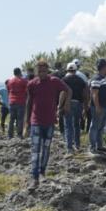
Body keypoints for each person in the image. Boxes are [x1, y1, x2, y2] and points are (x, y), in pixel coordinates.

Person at [25, 61, 71, 190]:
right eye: (39, 71)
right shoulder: (32, 84)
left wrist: (65, 105)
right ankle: (34, 178)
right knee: (35, 150)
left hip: (50, 121)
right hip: (36, 122)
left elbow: (68, 90)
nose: (42, 74)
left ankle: (42, 173)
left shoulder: (55, 81)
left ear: (47, 71)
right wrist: (27, 122)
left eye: (44, 71)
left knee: (45, 149)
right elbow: (29, 102)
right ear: (36, 72)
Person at [62, 63, 89, 152]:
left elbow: (62, 94)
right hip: (78, 104)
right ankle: (77, 145)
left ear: (67, 70)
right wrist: (85, 107)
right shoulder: (81, 80)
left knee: (68, 125)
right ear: (75, 70)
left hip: (68, 104)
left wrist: (60, 106)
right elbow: (85, 94)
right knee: (76, 125)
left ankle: (69, 147)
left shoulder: (64, 80)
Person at [89, 59, 106, 155]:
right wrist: (97, 107)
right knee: (95, 126)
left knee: (101, 127)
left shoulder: (103, 79)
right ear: (104, 67)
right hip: (99, 107)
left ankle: (99, 146)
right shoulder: (96, 79)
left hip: (105, 107)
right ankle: (93, 147)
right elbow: (94, 94)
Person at [5, 68, 29, 138]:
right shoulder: (23, 81)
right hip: (21, 102)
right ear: (20, 72)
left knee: (11, 119)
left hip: (12, 102)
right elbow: (28, 91)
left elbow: (8, 91)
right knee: (20, 119)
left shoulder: (10, 81)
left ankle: (10, 135)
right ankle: (19, 134)